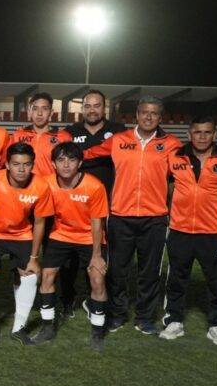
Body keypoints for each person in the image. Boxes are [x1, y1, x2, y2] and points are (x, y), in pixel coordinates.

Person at [84, 96, 181, 334]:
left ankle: (144, 317)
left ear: (161, 117)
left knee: (149, 273)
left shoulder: (172, 144)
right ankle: (117, 315)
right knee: (118, 270)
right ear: (136, 115)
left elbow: (189, 168)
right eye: (144, 112)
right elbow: (88, 154)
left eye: (154, 113)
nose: (149, 117)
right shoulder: (119, 140)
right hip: (120, 216)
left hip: (155, 218)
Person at [160, 117, 217, 346]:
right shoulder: (175, 156)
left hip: (211, 232)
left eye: (207, 132)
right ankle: (174, 321)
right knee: (177, 279)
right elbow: (160, 183)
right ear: (190, 134)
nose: (202, 136)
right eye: (197, 132)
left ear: (215, 135)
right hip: (179, 229)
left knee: (216, 280)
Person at [31, 142, 109, 350]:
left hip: (88, 237)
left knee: (97, 278)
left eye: (72, 160)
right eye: (61, 160)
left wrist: (96, 255)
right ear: (54, 164)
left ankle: (97, 332)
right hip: (60, 235)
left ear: (80, 163)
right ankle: (48, 327)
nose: (66, 165)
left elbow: (97, 223)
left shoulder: (94, 186)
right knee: (47, 276)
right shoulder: (46, 183)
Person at [0, 142, 53, 346]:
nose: (21, 169)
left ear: (33, 165)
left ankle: (19, 328)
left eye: (26, 164)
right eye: (16, 164)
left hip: (22, 235)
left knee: (29, 277)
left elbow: (40, 222)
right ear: (7, 165)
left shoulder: (41, 186)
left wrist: (35, 258)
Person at [59, 89, 125, 320]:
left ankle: (93, 298)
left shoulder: (119, 131)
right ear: (82, 109)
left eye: (97, 105)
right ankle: (67, 299)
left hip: (109, 203)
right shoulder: (70, 132)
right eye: (88, 106)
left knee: (100, 254)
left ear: (104, 108)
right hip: (72, 203)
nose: (92, 110)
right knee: (68, 257)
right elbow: (59, 158)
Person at [11, 92, 72, 178]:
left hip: (51, 188)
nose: (39, 113)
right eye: (35, 109)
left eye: (44, 109)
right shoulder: (17, 135)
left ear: (51, 112)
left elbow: (69, 166)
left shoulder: (64, 137)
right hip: (25, 188)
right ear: (29, 112)